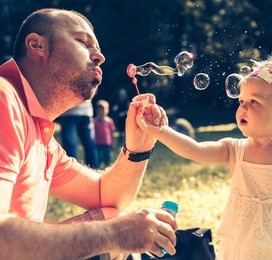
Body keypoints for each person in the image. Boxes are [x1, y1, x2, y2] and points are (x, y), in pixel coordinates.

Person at [0, 8, 177, 259]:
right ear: (37, 45)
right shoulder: (3, 98)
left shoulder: (41, 134)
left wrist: (138, 147)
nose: (100, 56)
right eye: (83, 42)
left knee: (111, 217)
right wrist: (113, 234)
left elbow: (106, 195)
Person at [136, 55, 272, 260]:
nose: (243, 108)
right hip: (241, 243)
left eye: (254, 101)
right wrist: (160, 131)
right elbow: (195, 149)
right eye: (242, 101)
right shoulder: (234, 150)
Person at [60, 99, 99, 168]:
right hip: (86, 112)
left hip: (69, 113)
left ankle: (71, 171)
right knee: (89, 144)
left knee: (70, 145)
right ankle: (94, 171)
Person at [94, 99, 116, 168]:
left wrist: (113, 143)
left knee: (107, 159)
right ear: (97, 110)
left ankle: (107, 170)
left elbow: (112, 133)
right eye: (99, 109)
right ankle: (98, 169)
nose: (101, 111)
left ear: (107, 110)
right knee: (98, 159)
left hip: (107, 144)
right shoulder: (94, 121)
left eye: (103, 109)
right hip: (98, 144)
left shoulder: (110, 121)